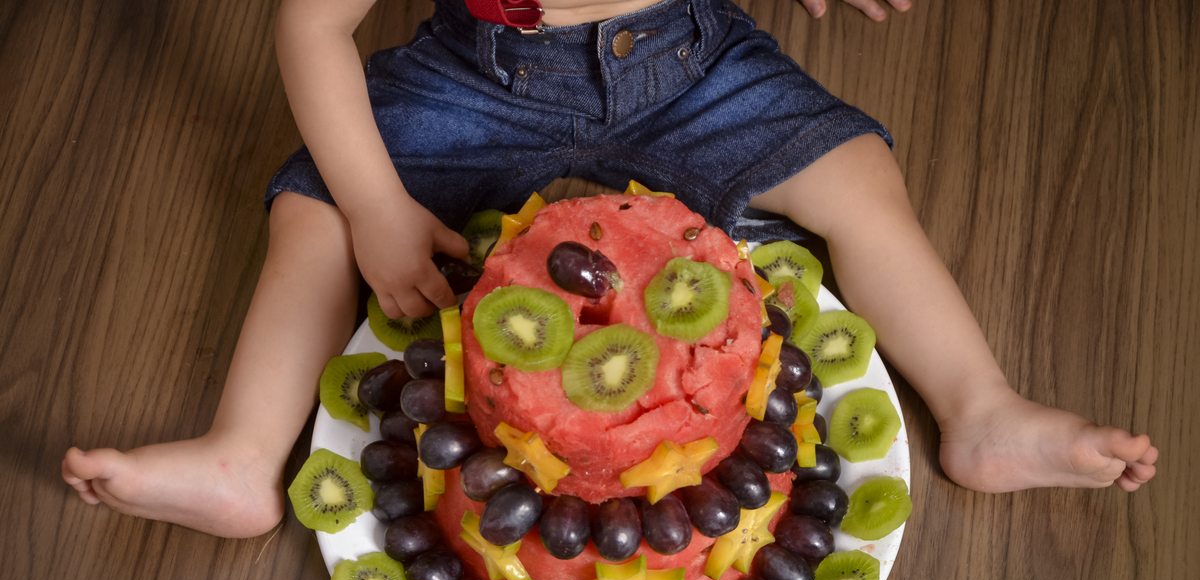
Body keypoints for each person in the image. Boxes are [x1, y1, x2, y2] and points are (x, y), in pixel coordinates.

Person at [61, 0, 1157, 538]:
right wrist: (375, 207)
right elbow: (312, 26)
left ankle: (980, 408)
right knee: (313, 211)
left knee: (858, 180)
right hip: (476, 83)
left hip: (691, 66)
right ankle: (243, 455)